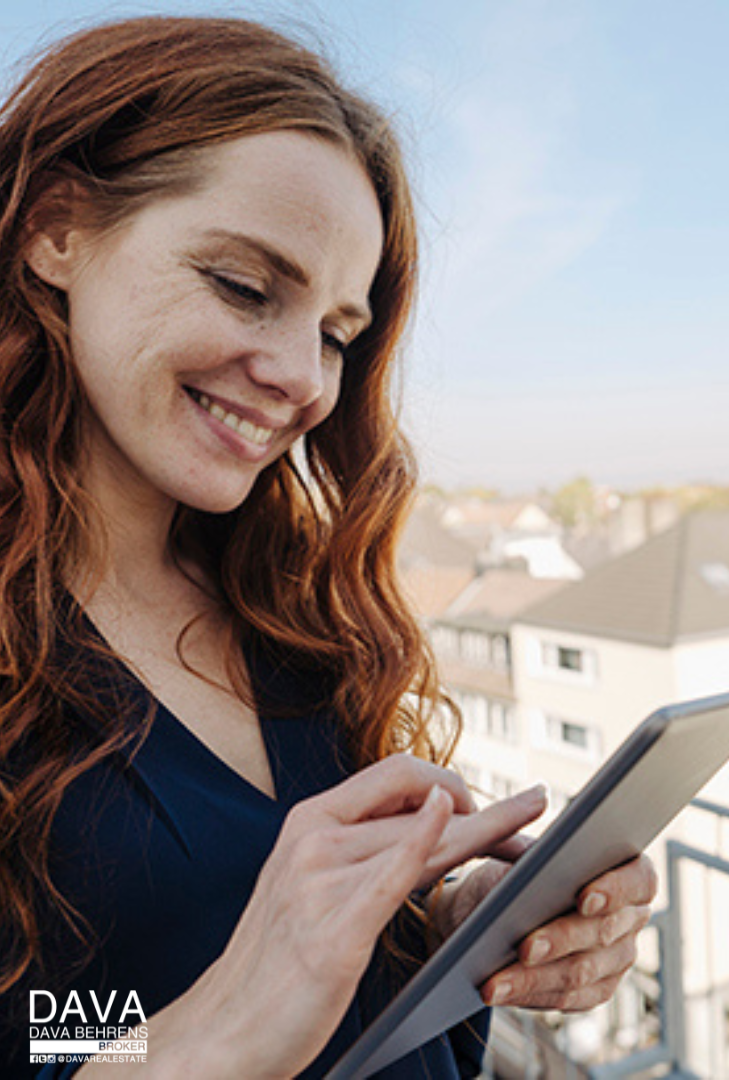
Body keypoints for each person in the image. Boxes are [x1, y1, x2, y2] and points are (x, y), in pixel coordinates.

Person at [0, 16, 656, 1079]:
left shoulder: (290, 611)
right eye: (247, 287)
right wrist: (202, 1028)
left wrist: (449, 934)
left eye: (338, 335)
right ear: (56, 230)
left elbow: (294, 960)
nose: (306, 377)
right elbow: (38, 1029)